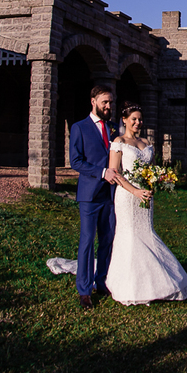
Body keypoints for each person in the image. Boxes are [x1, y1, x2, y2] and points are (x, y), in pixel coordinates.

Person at [104, 103, 187, 305]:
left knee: (146, 232)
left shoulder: (146, 143)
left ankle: (157, 280)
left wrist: (157, 181)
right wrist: (135, 190)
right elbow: (114, 173)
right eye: (134, 119)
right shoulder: (119, 142)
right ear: (124, 120)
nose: (138, 123)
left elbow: (150, 170)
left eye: (140, 119)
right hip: (127, 196)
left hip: (146, 195)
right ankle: (129, 284)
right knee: (129, 235)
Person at [70, 85, 120, 309]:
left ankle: (102, 281)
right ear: (93, 101)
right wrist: (102, 173)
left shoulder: (112, 128)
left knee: (107, 240)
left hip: (110, 195)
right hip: (89, 195)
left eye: (110, 102)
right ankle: (84, 290)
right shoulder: (79, 128)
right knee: (88, 241)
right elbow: (76, 161)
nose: (108, 106)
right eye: (104, 102)